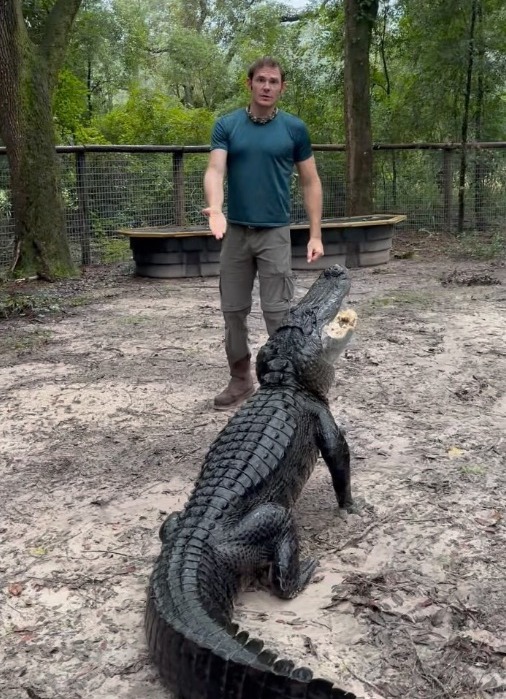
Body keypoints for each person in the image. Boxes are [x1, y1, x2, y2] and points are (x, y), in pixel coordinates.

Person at [203, 56, 324, 411]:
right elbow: (214, 170)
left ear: (282, 87)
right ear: (250, 83)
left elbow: (311, 181)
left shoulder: (294, 129)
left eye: (274, 81)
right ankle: (240, 378)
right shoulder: (227, 125)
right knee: (233, 310)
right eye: (261, 80)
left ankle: (282, 383)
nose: (267, 86)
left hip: (275, 234)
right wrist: (216, 207)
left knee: (277, 311)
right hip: (236, 233)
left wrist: (315, 234)